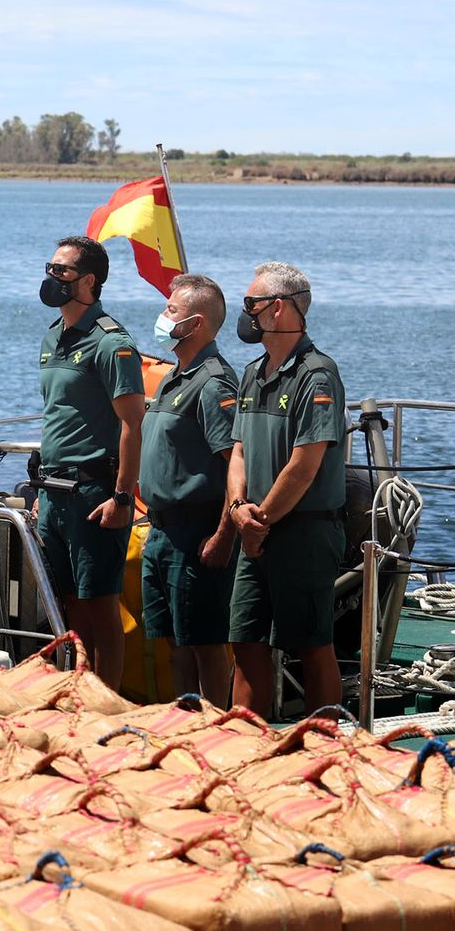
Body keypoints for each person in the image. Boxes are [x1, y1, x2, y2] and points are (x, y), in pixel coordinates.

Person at [226, 261, 347, 716]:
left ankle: (326, 746)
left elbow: (304, 464)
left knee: (311, 645)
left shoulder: (316, 376)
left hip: (302, 532)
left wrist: (260, 521)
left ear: (277, 309)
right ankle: (247, 743)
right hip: (254, 528)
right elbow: (238, 449)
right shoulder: (252, 373)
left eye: (250, 303)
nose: (246, 313)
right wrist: (239, 506)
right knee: (245, 640)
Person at [35, 235, 145, 688]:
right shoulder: (52, 337)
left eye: (61, 271)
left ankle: (106, 705)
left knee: (101, 606)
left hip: (94, 493)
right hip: (53, 492)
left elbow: (132, 425)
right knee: (65, 605)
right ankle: (77, 694)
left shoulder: (110, 342)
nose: (51, 277)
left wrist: (122, 496)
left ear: (89, 280)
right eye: (50, 268)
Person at [139, 273, 238, 706]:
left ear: (195, 323)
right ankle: (185, 722)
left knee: (206, 643)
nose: (162, 318)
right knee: (175, 642)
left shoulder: (213, 383)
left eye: (171, 311)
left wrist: (223, 536)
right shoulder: (174, 377)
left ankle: (216, 727)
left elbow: (236, 466)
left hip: (196, 531)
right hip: (160, 531)